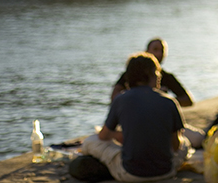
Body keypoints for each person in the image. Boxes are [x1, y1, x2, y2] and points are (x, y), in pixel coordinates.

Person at [81, 52, 190, 182]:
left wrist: (117, 135)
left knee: (90, 141)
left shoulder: (120, 99)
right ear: (149, 74)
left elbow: (103, 136)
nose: (159, 76)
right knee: (186, 144)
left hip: (131, 175)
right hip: (166, 172)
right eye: (157, 72)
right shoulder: (170, 101)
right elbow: (176, 146)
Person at [112, 38, 193, 107]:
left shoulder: (167, 77)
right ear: (146, 51)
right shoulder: (131, 73)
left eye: (162, 51)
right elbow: (114, 96)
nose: (159, 54)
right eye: (155, 49)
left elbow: (188, 101)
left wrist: (162, 98)